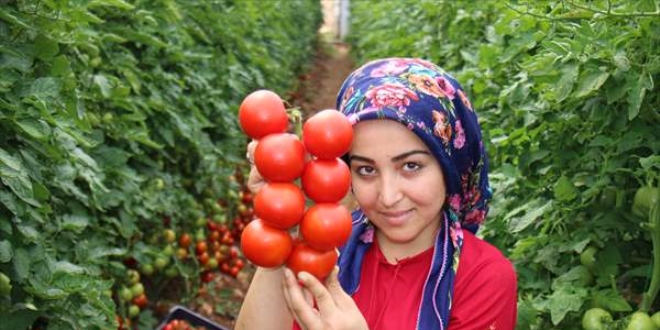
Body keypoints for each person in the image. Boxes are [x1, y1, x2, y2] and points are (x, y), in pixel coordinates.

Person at [235, 57, 517, 330]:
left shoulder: (483, 278)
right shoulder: (324, 244)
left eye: (411, 166)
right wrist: (281, 226)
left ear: (450, 166)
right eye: (366, 170)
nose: (388, 196)